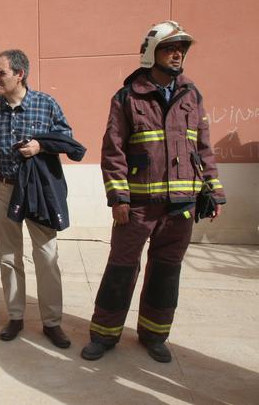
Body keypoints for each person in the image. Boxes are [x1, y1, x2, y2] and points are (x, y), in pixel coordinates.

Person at [81, 21, 226, 363]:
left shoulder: (191, 95)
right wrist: (119, 198)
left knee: (166, 272)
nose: (177, 55)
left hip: (182, 206)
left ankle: (154, 335)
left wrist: (213, 191)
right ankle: (104, 335)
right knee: (121, 269)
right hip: (138, 206)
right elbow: (113, 151)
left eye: (181, 49)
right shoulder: (127, 97)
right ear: (151, 52)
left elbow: (203, 148)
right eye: (170, 48)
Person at [0, 49, 73, 348]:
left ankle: (52, 322)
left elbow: (67, 137)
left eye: (1, 73)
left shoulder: (46, 104)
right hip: (3, 188)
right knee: (8, 256)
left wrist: (40, 146)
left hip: (36, 191)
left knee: (46, 255)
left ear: (19, 74)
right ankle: (16, 316)